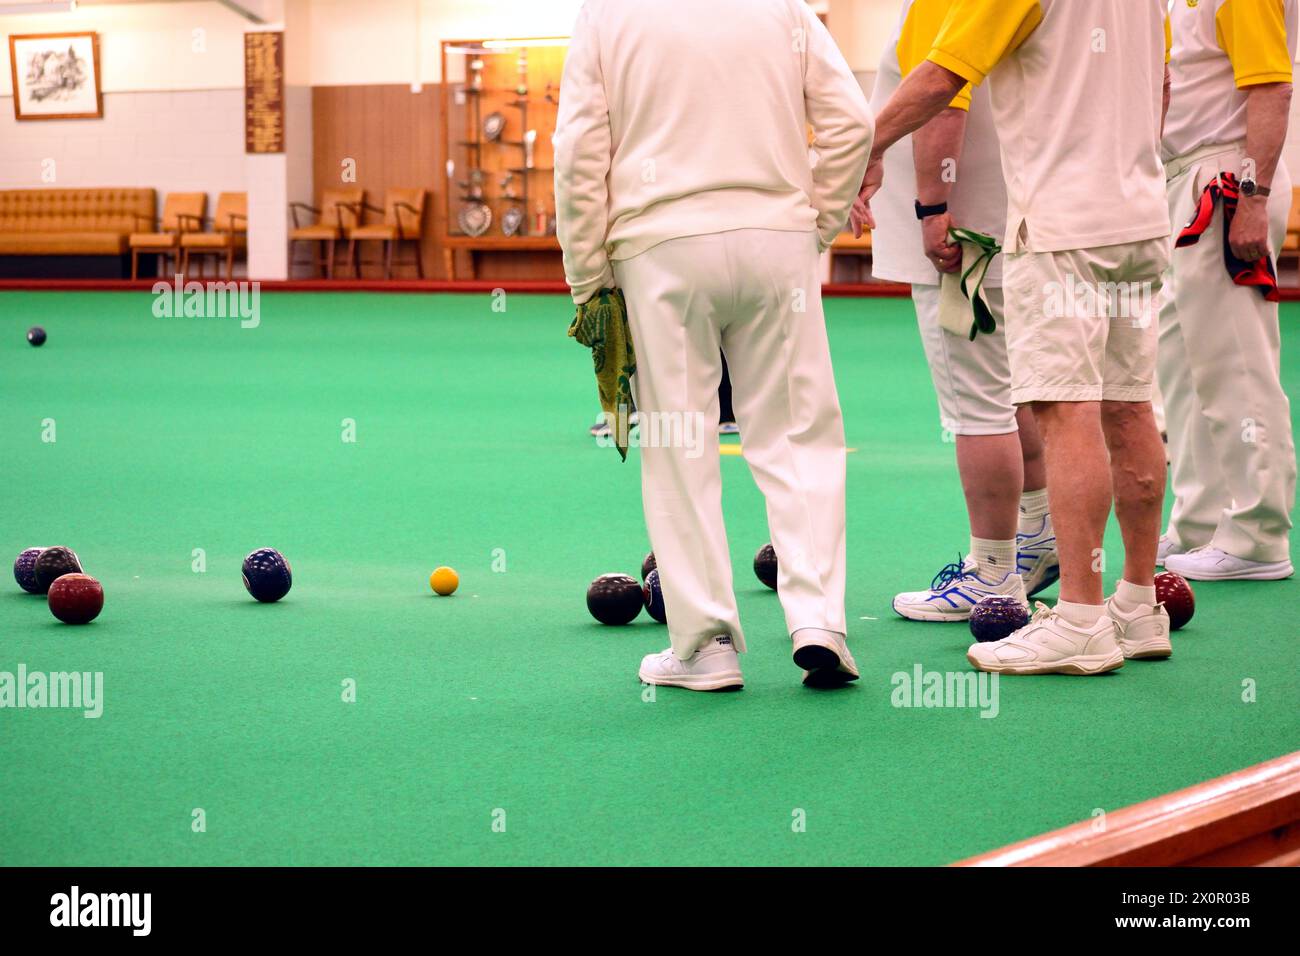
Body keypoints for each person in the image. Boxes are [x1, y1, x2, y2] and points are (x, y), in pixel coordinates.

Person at [555, 0, 873, 690]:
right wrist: (813, 221)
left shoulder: (605, 16)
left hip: (659, 250)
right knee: (799, 437)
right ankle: (820, 621)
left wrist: (588, 280)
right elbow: (854, 122)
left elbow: (579, 153)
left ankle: (705, 648)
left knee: (678, 443)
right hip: (776, 243)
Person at [858, 0, 1174, 675]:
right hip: (1140, 213)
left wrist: (859, 144)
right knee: (1130, 405)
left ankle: (1083, 618)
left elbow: (944, 78)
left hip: (1061, 225)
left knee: (1066, 412)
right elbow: (1165, 87)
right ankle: (1138, 606)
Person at [868, 0, 1057, 624]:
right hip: (1014, 218)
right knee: (1009, 393)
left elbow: (944, 97)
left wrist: (932, 208)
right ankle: (1034, 538)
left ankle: (992, 571)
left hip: (963, 234)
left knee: (976, 405)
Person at [1158, 0, 1297, 582]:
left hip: (1225, 177)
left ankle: (1258, 533)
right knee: (1183, 362)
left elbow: (1270, 85)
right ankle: (1203, 519)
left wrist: (1253, 195)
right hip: (1184, 174)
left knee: (1235, 359)